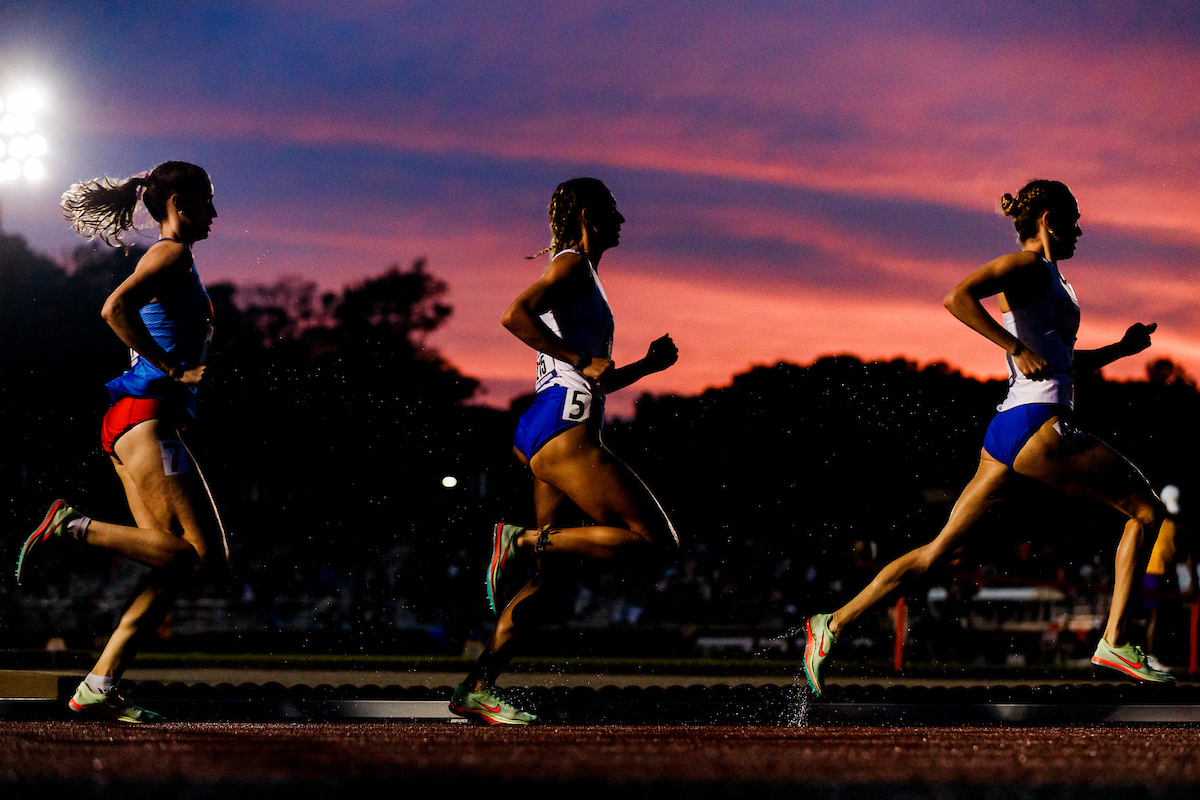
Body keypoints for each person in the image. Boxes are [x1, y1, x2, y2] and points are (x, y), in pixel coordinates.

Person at [803, 179, 1172, 696]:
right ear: (1046, 218)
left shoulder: (1055, 282)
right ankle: (1114, 640)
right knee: (1147, 511)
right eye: (1073, 221)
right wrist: (1010, 345)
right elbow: (957, 297)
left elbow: (1064, 363)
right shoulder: (1025, 266)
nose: (1080, 231)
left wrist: (1120, 350)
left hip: (1011, 429)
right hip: (1038, 425)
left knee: (939, 554)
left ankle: (832, 623)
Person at [449, 177, 680, 724]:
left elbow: (587, 374)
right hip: (567, 427)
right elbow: (514, 315)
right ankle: (522, 541)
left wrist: (643, 368)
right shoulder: (573, 265)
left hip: (547, 425)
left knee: (548, 584)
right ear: (586, 215)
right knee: (659, 545)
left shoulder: (584, 275)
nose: (623, 219)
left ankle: (477, 688)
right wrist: (578, 356)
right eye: (613, 210)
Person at [17, 161, 227, 722]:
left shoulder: (174, 259)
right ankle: (71, 526)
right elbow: (113, 308)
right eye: (207, 201)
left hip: (136, 421)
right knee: (207, 558)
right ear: (179, 201)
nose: (215, 213)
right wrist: (171, 368)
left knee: (175, 566)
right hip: (145, 417)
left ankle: (98, 683)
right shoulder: (171, 255)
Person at [1142, 484, 1191, 670]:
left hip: (1166, 574)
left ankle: (1160, 656)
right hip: (1152, 572)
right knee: (1156, 616)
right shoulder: (1153, 521)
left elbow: (1183, 553)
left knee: (1165, 616)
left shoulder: (1175, 526)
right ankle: (1152, 658)